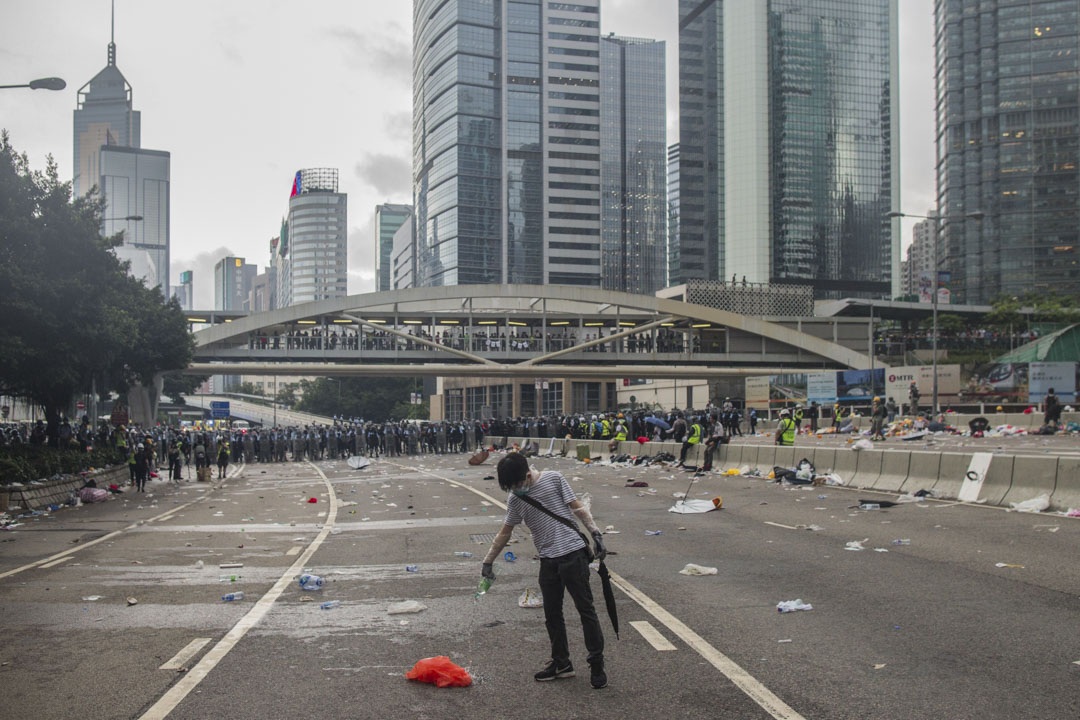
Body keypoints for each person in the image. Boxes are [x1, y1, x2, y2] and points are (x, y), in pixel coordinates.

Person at [480, 453, 608, 689]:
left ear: (527, 474)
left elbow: (576, 507)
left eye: (517, 484)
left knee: (585, 611)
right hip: (548, 561)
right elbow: (505, 532)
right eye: (510, 487)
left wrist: (595, 533)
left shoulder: (554, 479)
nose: (515, 490)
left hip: (573, 555)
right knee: (552, 615)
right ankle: (561, 663)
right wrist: (488, 561)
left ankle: (596, 663)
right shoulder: (516, 500)